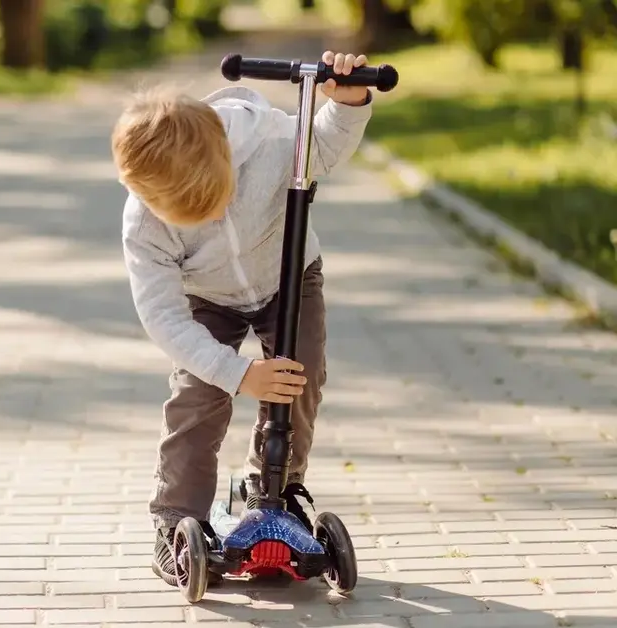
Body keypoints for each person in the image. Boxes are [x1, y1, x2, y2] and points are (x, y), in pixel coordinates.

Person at [111, 51, 375, 586]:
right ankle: (175, 518)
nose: (210, 216)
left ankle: (276, 489)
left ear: (226, 157)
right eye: (192, 215)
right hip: (207, 297)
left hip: (287, 273)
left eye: (214, 200)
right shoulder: (144, 220)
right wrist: (235, 373)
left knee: (297, 379)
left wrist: (347, 104)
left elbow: (319, 146)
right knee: (197, 400)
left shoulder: (268, 141)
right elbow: (164, 317)